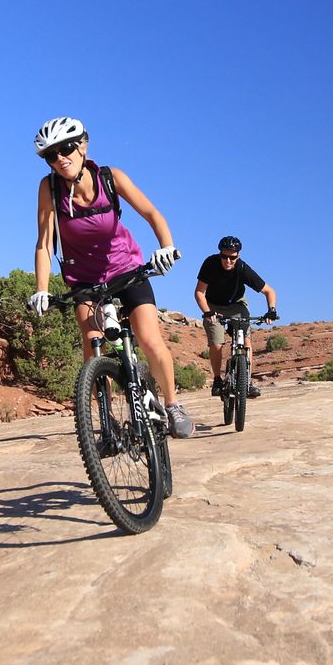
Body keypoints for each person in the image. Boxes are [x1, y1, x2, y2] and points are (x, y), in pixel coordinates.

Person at [26, 117, 195, 439]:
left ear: (83, 146)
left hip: (127, 269)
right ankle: (106, 421)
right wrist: (42, 290)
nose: (60, 158)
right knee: (93, 345)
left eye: (67, 149)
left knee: (148, 338)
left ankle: (172, 404)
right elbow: (44, 243)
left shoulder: (110, 178)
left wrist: (167, 247)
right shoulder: (48, 188)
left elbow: (151, 213)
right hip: (83, 279)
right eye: (51, 155)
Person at [195, 235, 278, 398]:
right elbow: (199, 292)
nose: (228, 261)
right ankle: (218, 380)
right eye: (224, 256)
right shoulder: (210, 264)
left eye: (232, 257)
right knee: (216, 343)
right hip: (213, 307)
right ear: (220, 254)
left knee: (246, 342)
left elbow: (269, 291)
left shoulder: (242, 269)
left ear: (238, 255)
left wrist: (271, 310)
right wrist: (207, 311)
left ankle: (246, 381)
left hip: (237, 305)